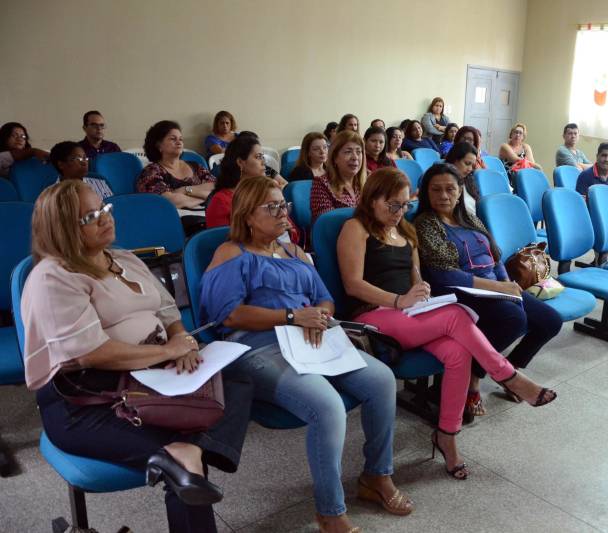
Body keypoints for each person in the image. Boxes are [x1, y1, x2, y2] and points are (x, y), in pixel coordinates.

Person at [22, 180, 254, 533]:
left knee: (238, 379)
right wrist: (165, 351)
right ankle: (188, 454)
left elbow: (167, 310)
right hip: (87, 401)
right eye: (90, 216)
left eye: (104, 209)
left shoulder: (124, 258)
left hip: (149, 376)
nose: (105, 219)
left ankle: (192, 449)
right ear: (63, 229)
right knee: (186, 466)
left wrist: (182, 343)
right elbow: (91, 353)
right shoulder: (53, 277)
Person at [200, 176, 413, 532]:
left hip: (312, 339)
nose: (284, 212)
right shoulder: (231, 253)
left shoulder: (294, 253)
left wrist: (320, 316)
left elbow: (325, 297)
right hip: (258, 345)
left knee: (381, 381)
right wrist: (292, 316)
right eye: (273, 207)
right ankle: (330, 512)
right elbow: (229, 315)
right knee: (327, 406)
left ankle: (376, 476)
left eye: (284, 204)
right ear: (248, 216)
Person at [338, 168, 558, 483]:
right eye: (392, 205)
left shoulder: (406, 232)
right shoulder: (355, 228)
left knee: (458, 353)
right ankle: (507, 375)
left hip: (408, 313)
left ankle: (447, 436)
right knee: (457, 315)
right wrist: (399, 300)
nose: (399, 212)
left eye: (403, 205)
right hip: (373, 314)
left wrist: (421, 293)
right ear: (373, 199)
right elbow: (352, 285)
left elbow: (415, 278)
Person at [414, 163, 562, 419]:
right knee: (514, 319)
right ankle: (474, 377)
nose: (444, 196)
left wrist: (508, 285)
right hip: (460, 291)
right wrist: (499, 287)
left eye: (450, 189)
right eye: (436, 190)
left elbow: (494, 257)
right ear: (426, 193)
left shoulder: (469, 217)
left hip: (494, 286)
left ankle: (507, 372)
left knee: (550, 321)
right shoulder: (426, 224)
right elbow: (445, 275)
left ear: (461, 190)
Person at [206, 134, 288, 228]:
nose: (264, 162)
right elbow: (222, 239)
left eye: (263, 157)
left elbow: (293, 232)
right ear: (240, 162)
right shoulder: (221, 202)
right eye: (258, 157)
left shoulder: (268, 193)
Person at [136, 120, 216, 208]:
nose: (179, 142)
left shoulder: (195, 166)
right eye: (173, 139)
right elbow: (170, 201)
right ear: (158, 145)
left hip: (206, 215)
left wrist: (186, 190)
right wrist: (205, 197)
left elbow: (215, 187)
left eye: (181, 139)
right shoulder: (151, 172)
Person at [310, 130, 366, 224]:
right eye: (348, 152)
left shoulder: (368, 182)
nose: (355, 157)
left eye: (359, 152)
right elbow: (327, 223)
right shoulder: (322, 184)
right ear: (335, 158)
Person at [444, 141, 480, 215]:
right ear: (454, 160)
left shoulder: (469, 180)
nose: (470, 169)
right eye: (467, 164)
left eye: (472, 166)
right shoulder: (442, 182)